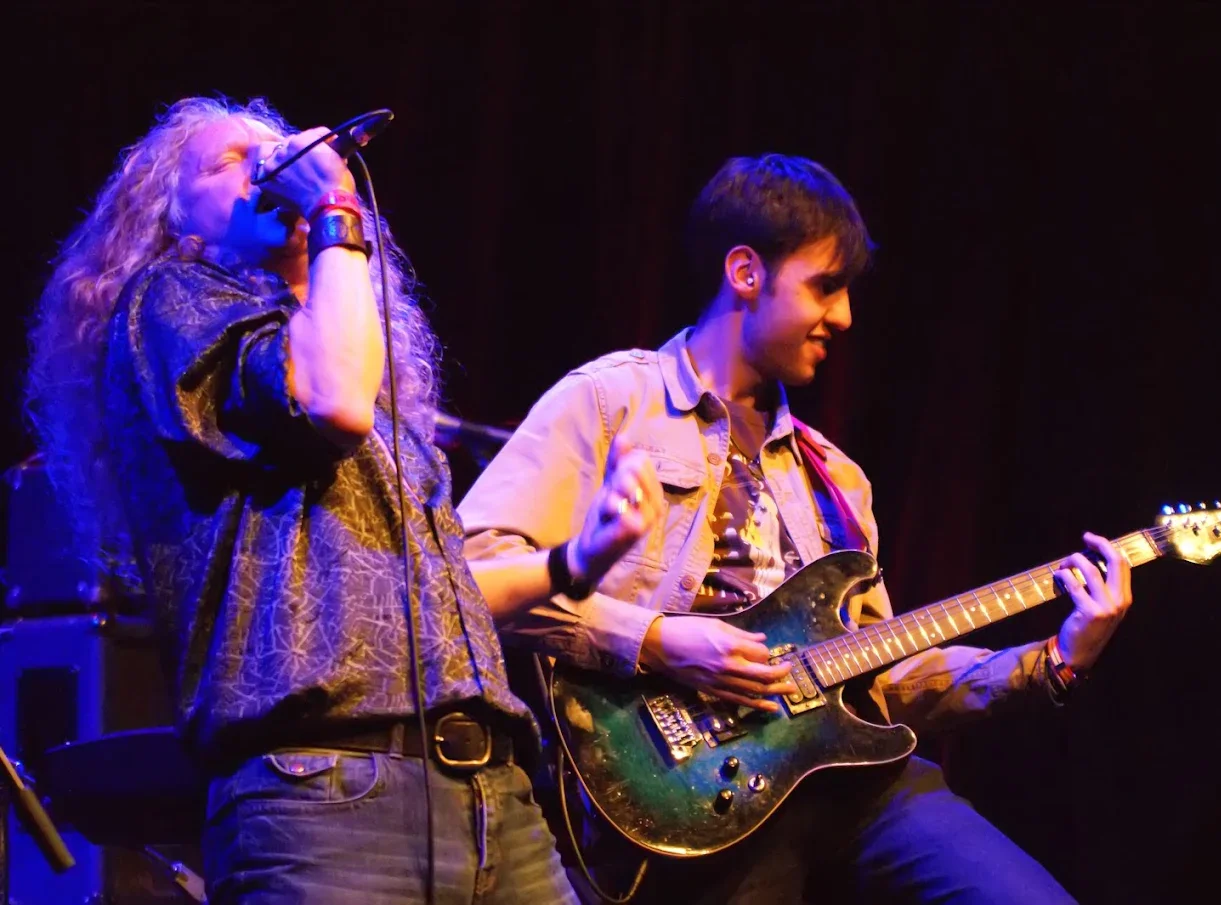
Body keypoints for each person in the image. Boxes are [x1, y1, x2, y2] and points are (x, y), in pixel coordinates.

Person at [24, 95, 662, 905]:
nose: (268, 166)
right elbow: (332, 401)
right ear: (171, 213)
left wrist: (576, 558)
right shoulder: (171, 300)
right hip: (320, 797)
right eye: (231, 162)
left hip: (489, 793)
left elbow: (441, 589)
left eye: (278, 152)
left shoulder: (356, 374)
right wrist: (331, 203)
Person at [457, 154, 1134, 904]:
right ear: (745, 272)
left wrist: (1054, 660)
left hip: (854, 783)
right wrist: (656, 638)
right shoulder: (612, 401)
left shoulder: (837, 476)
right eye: (825, 285)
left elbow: (878, 674)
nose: (843, 316)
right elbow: (469, 579)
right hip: (694, 793)